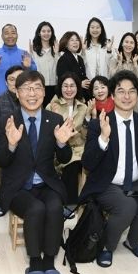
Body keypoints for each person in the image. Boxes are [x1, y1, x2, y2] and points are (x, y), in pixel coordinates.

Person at [0, 70, 75, 274]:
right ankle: (35, 263)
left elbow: (65, 158)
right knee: (36, 208)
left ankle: (49, 261)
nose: (32, 93)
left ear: (44, 92)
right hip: (17, 187)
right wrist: (11, 145)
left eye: (37, 87)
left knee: (55, 206)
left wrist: (61, 143)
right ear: (17, 93)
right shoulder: (7, 121)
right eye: (26, 89)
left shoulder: (54, 120)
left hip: (46, 183)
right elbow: (1, 161)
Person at [80, 70, 138, 268]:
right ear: (112, 96)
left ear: (137, 95)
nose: (127, 96)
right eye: (121, 91)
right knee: (127, 207)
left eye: (131, 91)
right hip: (107, 183)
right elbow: (87, 163)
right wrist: (103, 138)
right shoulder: (99, 123)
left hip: (136, 182)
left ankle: (132, 242)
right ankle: (107, 246)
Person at [46, 72, 88, 208]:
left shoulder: (83, 107)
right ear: (60, 87)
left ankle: (90, 204)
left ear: (77, 87)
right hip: (59, 149)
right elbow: (48, 135)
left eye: (72, 86)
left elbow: (86, 136)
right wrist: (56, 118)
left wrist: (88, 120)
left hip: (80, 148)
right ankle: (70, 205)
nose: (69, 89)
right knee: (72, 164)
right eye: (65, 86)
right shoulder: (51, 106)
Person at [0, 65, 24, 218]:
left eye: (20, 79)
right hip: (5, 145)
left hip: (28, 146)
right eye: (11, 79)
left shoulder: (33, 100)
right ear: (6, 82)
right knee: (9, 158)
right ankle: (4, 201)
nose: (15, 83)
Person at [0, 23, 36, 98]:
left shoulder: (24, 54)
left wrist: (28, 67)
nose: (10, 36)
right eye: (6, 33)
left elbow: (34, 75)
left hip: (21, 97)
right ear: (2, 36)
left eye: (13, 33)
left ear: (17, 35)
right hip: (0, 98)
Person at [30, 21, 58, 105]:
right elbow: (32, 69)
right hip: (39, 87)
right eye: (43, 31)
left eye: (49, 31)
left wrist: (57, 54)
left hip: (54, 86)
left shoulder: (56, 49)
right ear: (39, 33)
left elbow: (59, 67)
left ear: (52, 33)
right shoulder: (34, 51)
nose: (46, 33)